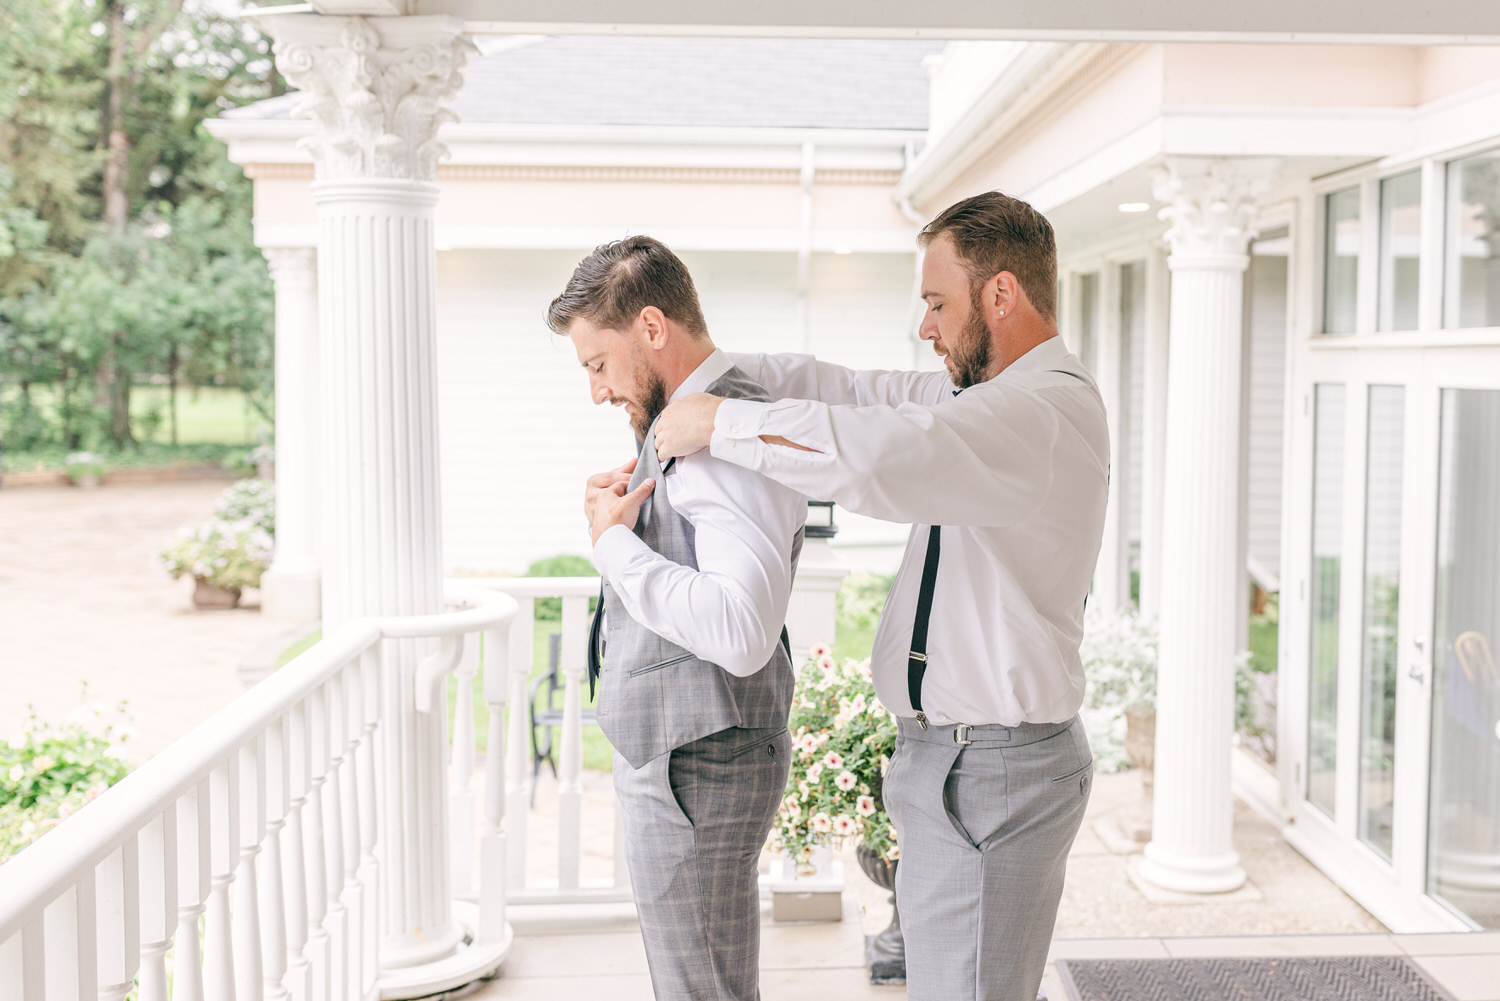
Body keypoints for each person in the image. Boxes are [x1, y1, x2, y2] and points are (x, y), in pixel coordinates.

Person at [652, 191, 1110, 1001]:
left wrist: (717, 424)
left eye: (938, 303)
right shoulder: (983, 400)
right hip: (963, 765)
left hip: (991, 775)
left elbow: (879, 454)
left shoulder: (1039, 414)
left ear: (1001, 294)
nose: (926, 327)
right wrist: (705, 372)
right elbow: (852, 394)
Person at [547, 235, 806, 1001]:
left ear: (652, 328)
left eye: (598, 364)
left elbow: (740, 629)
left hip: (699, 762)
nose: (596, 390)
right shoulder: (695, 421)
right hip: (692, 752)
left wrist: (613, 547)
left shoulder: (721, 437)